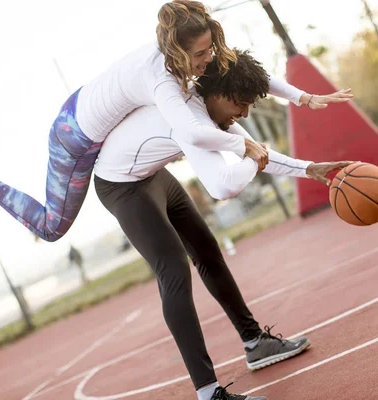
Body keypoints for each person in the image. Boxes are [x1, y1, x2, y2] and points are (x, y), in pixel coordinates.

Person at [0, 0, 352, 243]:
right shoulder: (161, 81)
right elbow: (191, 134)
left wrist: (304, 97)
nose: (210, 60)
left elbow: (242, 71)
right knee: (51, 228)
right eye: (202, 54)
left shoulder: (195, 67)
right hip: (74, 137)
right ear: (181, 52)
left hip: (89, 117)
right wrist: (244, 147)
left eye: (210, 50)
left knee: (223, 134)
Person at [93, 48, 353, 400]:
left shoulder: (214, 107)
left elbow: (253, 151)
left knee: (207, 252)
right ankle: (208, 393)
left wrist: (308, 169)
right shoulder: (190, 121)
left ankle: (254, 343)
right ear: (218, 94)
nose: (244, 113)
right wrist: (254, 156)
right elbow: (223, 185)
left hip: (152, 176)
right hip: (121, 186)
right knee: (173, 271)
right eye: (240, 105)